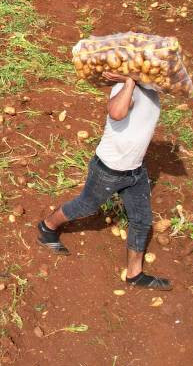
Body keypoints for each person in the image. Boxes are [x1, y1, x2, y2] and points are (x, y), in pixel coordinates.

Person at [37, 71, 172, 292]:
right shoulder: (125, 88)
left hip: (135, 169)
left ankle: (134, 274)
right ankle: (47, 226)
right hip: (109, 169)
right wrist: (128, 81)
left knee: (142, 219)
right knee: (86, 206)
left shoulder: (151, 89)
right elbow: (116, 112)